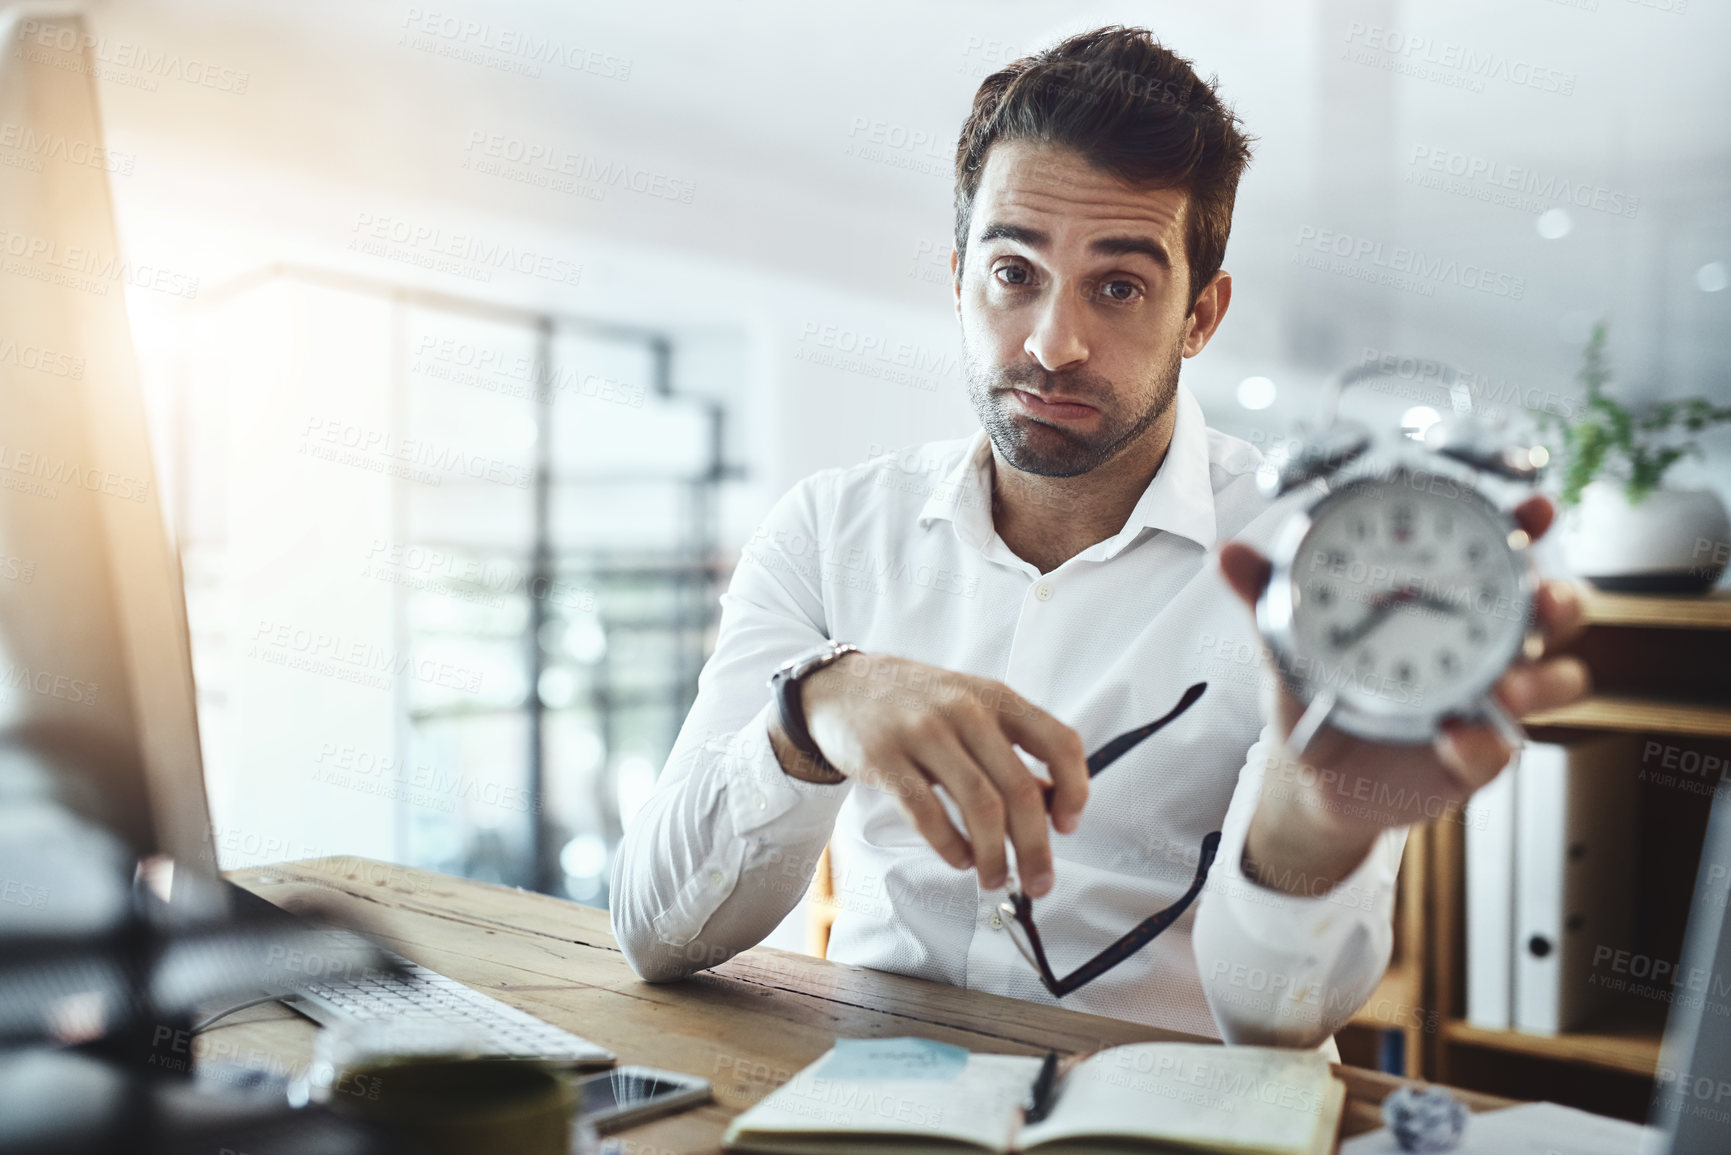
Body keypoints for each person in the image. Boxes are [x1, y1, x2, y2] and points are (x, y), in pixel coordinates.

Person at [609, 26, 1588, 1046]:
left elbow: (1272, 1017)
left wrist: (1310, 829)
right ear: (958, 279)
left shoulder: (1307, 569)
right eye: (1013, 272)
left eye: (1118, 287)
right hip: (866, 1105)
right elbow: (653, 932)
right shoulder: (827, 530)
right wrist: (807, 716)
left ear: (1201, 315)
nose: (1052, 344)